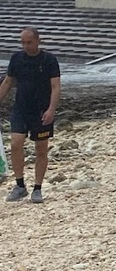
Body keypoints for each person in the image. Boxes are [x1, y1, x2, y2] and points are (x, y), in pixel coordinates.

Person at [0, 27, 61, 203]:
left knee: (41, 149)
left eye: (29, 42)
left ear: (37, 41)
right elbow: (8, 82)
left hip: (41, 111)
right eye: (23, 42)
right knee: (15, 144)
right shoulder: (16, 59)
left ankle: (37, 188)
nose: (26, 46)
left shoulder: (49, 60)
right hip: (20, 109)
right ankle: (20, 185)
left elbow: (56, 87)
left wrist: (51, 109)